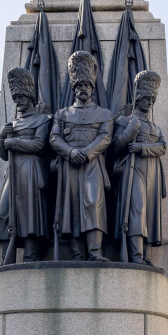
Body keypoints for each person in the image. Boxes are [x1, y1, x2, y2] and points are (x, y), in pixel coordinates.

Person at [50, 51, 114, 261]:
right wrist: (70, 152)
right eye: (79, 86)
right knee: (73, 208)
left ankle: (95, 252)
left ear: (92, 88)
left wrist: (85, 153)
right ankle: (77, 254)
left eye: (86, 85)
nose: (83, 89)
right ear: (74, 88)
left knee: (93, 203)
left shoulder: (104, 114)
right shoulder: (62, 114)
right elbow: (54, 138)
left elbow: (105, 138)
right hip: (69, 165)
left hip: (93, 164)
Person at [0, 67, 52, 263]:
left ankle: (30, 255)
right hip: (12, 173)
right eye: (15, 97)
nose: (18, 100)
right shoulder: (11, 125)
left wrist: (14, 142)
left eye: (21, 96)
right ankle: (6, 258)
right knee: (4, 213)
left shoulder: (42, 120)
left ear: (29, 96)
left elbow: (39, 145)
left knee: (30, 214)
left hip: (31, 170)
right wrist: (3, 136)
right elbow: (3, 155)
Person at [111, 70, 167, 264]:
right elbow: (116, 145)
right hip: (133, 170)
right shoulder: (123, 121)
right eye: (147, 99)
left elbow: (163, 147)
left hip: (153, 172)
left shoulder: (156, 128)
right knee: (137, 209)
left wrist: (142, 147)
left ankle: (146, 255)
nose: (150, 103)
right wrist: (129, 131)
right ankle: (135, 254)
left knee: (150, 213)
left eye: (153, 100)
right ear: (138, 98)